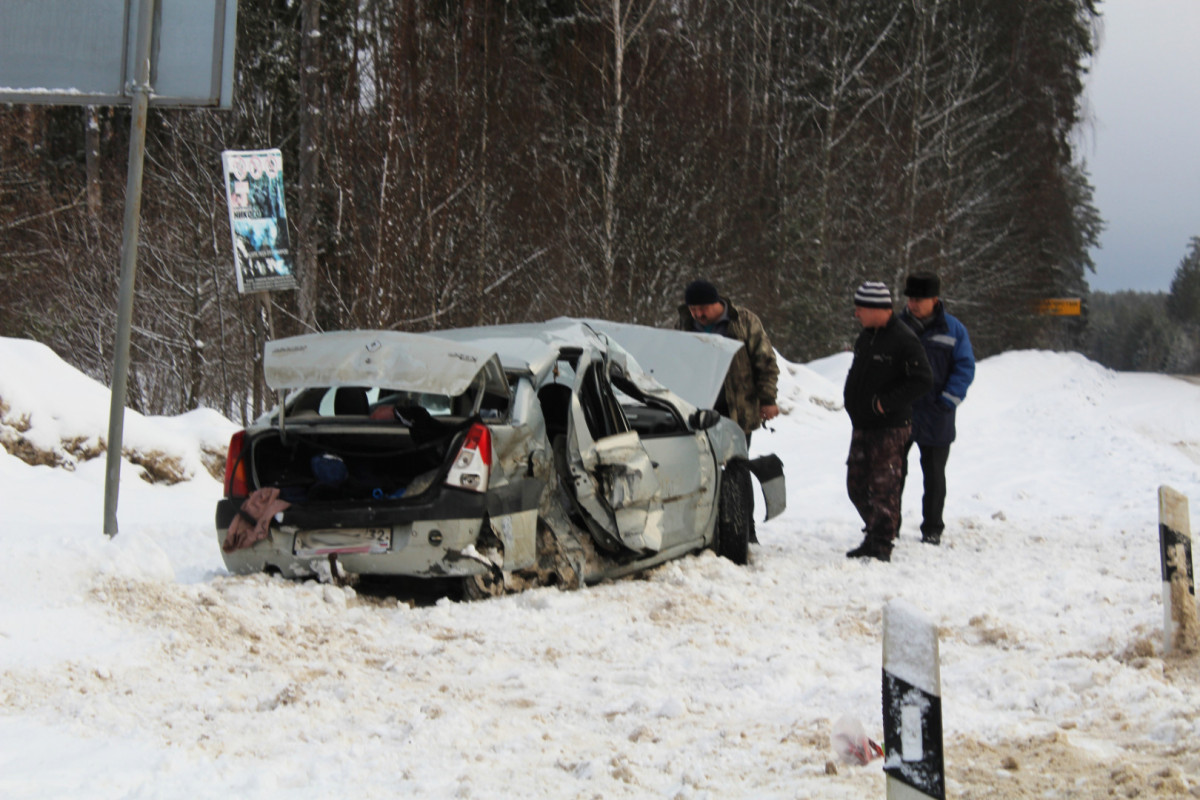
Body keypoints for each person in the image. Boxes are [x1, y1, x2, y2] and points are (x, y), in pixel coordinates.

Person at [842, 281, 933, 562]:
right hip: (862, 424)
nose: (856, 314)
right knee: (856, 485)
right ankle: (874, 532)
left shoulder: (903, 339)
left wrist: (885, 403)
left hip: (889, 426)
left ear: (877, 308)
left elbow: (922, 380)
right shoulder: (866, 336)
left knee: (884, 487)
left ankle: (881, 543)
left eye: (860, 309)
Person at [897, 272, 976, 545]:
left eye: (919, 299)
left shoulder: (954, 330)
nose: (913, 304)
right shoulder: (896, 326)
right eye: (910, 298)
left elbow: (964, 368)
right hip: (902, 412)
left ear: (934, 299)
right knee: (893, 472)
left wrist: (948, 400)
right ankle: (888, 525)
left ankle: (932, 528)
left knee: (934, 476)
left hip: (936, 413)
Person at [675, 279, 780, 444]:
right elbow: (677, 363)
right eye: (693, 309)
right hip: (698, 410)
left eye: (703, 308)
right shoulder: (684, 324)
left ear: (716, 302)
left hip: (737, 409)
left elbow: (765, 362)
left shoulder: (744, 321)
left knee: (736, 463)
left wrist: (768, 400)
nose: (698, 314)